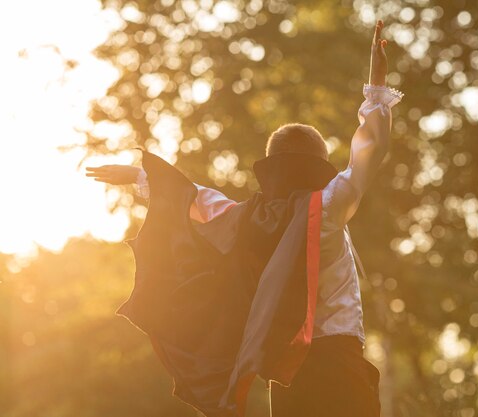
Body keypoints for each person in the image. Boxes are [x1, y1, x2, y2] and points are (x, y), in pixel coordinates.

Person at [87, 19, 402, 417]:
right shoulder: (327, 205)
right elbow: (368, 155)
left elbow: (197, 199)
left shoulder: (251, 219)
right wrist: (376, 80)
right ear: (319, 166)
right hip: (338, 364)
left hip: (287, 373)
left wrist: (139, 175)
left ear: (271, 169)